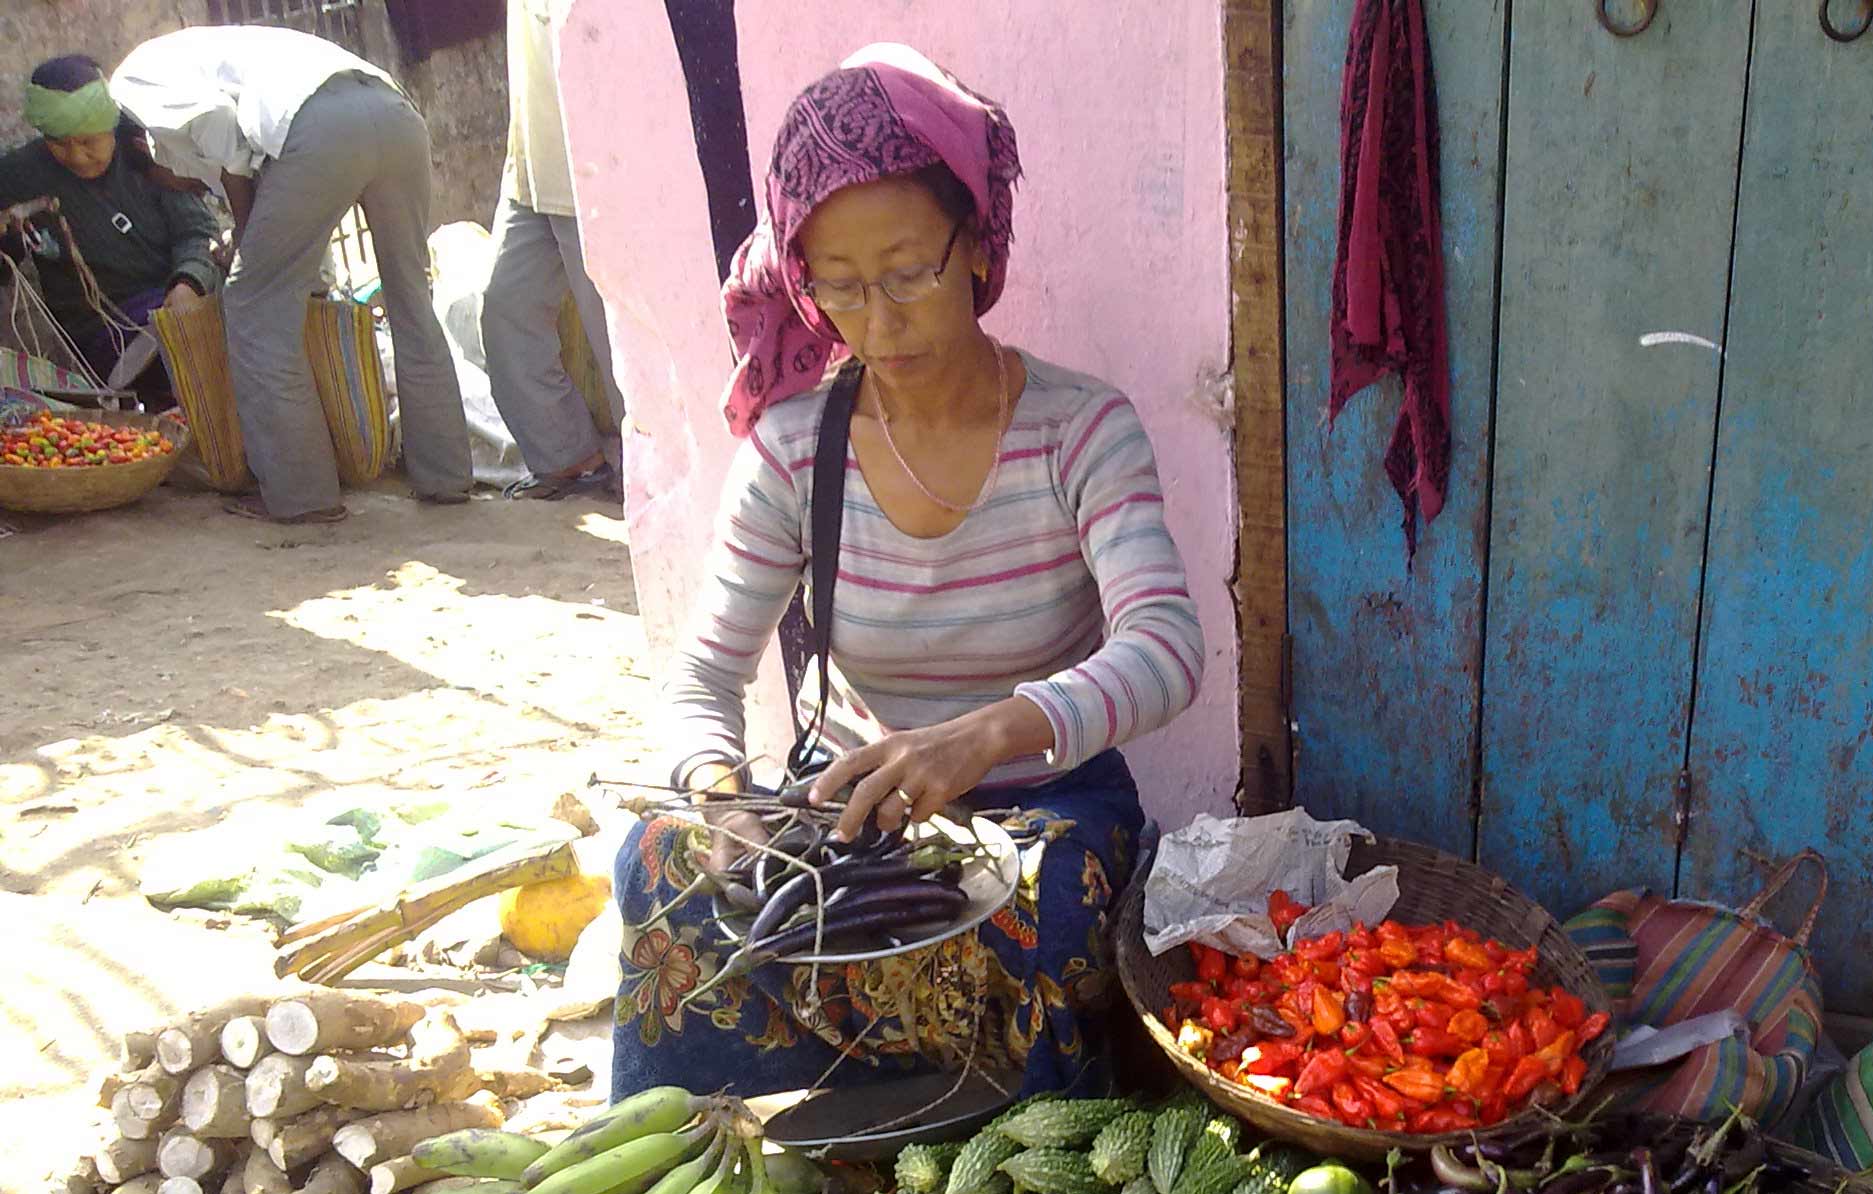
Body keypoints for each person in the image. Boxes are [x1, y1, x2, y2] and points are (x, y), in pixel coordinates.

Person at [610, 45, 1205, 1103]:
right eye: (839, 288)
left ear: (977, 245)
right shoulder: (798, 449)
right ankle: (712, 1166)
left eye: (908, 274)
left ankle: (1024, 1179)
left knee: (1046, 902)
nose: (880, 324)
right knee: (659, 871)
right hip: (857, 813)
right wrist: (719, 798)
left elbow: (1165, 649)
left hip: (1043, 801)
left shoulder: (1080, 430)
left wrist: (985, 733)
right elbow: (703, 677)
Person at [109, 24, 471, 522]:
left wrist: (244, 238)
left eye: (170, 183)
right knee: (411, 300)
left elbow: (219, 129)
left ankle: (301, 496)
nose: (185, 188)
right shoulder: (217, 49)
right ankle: (446, 476)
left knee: (253, 307)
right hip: (395, 112)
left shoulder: (131, 81)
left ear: (149, 149)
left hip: (318, 126)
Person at [0, 56, 220, 404]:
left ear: (110, 126)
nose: (76, 156)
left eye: (89, 141)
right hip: (104, 336)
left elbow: (195, 231)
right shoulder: (19, 175)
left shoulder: (146, 155)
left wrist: (188, 282)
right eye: (59, 143)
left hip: (177, 300)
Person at [480, 0, 621, 500]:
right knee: (504, 310)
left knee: (617, 336)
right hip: (530, 168)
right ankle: (569, 458)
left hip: (594, 172)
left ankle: (659, 472)